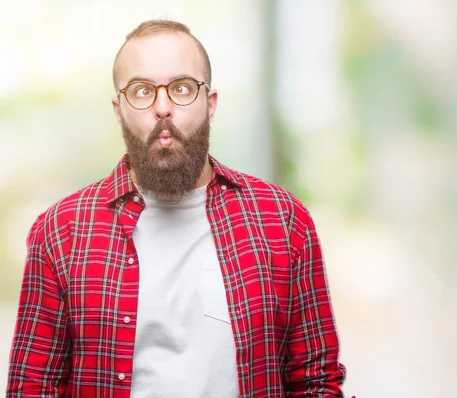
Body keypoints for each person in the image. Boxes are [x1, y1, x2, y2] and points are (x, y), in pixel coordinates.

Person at [6, 19, 346, 397]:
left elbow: (316, 382)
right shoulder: (61, 232)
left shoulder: (282, 220)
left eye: (182, 88)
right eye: (142, 91)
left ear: (210, 103)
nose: (163, 108)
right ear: (119, 109)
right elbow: (32, 389)